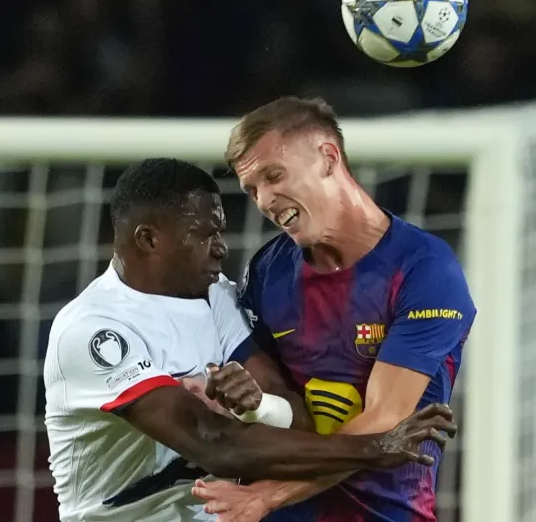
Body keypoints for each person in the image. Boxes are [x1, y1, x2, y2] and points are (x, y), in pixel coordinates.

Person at [43, 158, 456, 522]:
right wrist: (374, 449)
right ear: (149, 239)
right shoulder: (94, 332)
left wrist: (259, 406)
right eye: (202, 234)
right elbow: (212, 443)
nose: (221, 248)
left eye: (220, 231)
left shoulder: (215, 296)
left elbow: (299, 418)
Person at [192, 98, 476, 521]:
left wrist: (266, 495)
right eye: (252, 189)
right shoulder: (268, 272)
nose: (265, 200)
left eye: (274, 176)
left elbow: (384, 423)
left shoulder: (424, 270)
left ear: (328, 158)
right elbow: (275, 400)